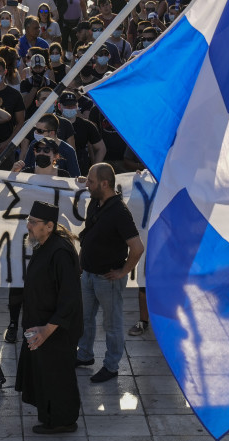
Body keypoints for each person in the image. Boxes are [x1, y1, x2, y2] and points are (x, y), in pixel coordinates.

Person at [15, 201, 82, 434]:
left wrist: (47, 329)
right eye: (29, 221)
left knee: (57, 376)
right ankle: (49, 417)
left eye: (33, 223)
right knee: (45, 375)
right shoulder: (43, 245)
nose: (28, 226)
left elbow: (69, 298)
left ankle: (63, 421)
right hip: (41, 325)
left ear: (49, 226)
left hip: (56, 329)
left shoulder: (60, 252)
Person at [75, 163, 144, 383]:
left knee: (112, 325)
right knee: (85, 319)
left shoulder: (120, 212)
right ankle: (84, 355)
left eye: (91, 181)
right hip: (88, 274)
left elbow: (137, 248)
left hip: (107, 279)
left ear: (105, 183)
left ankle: (111, 366)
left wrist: (123, 271)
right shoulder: (95, 202)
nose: (88, 185)